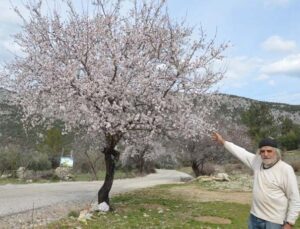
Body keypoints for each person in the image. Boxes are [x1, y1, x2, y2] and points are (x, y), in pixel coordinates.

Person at [212, 132, 300, 229]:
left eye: (269, 151)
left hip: (274, 222)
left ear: (276, 152)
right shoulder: (257, 162)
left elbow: (295, 198)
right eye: (262, 151)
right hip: (254, 218)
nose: (265, 154)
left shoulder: (285, 169)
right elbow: (241, 153)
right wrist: (223, 142)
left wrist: (290, 223)